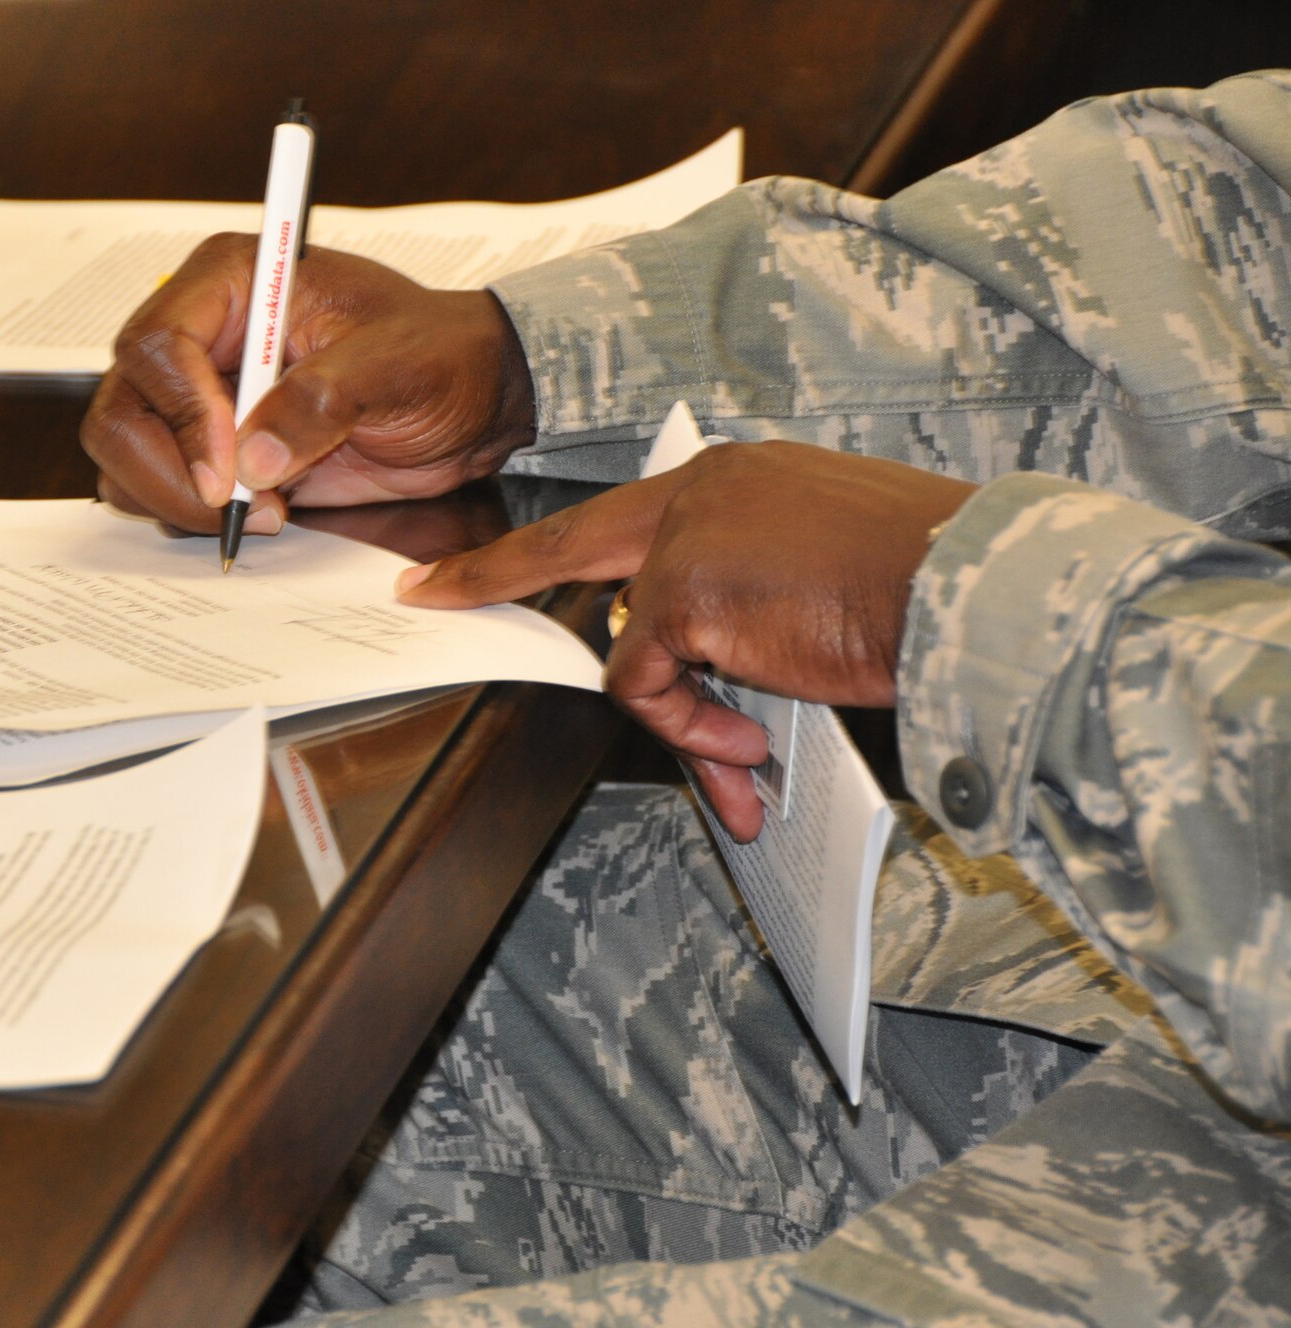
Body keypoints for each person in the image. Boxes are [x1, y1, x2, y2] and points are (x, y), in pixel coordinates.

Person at [82, 74, 1291, 1324]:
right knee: (164, 994)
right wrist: (537, 366)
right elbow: (1246, 230)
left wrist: (977, 607)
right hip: (1145, 953)